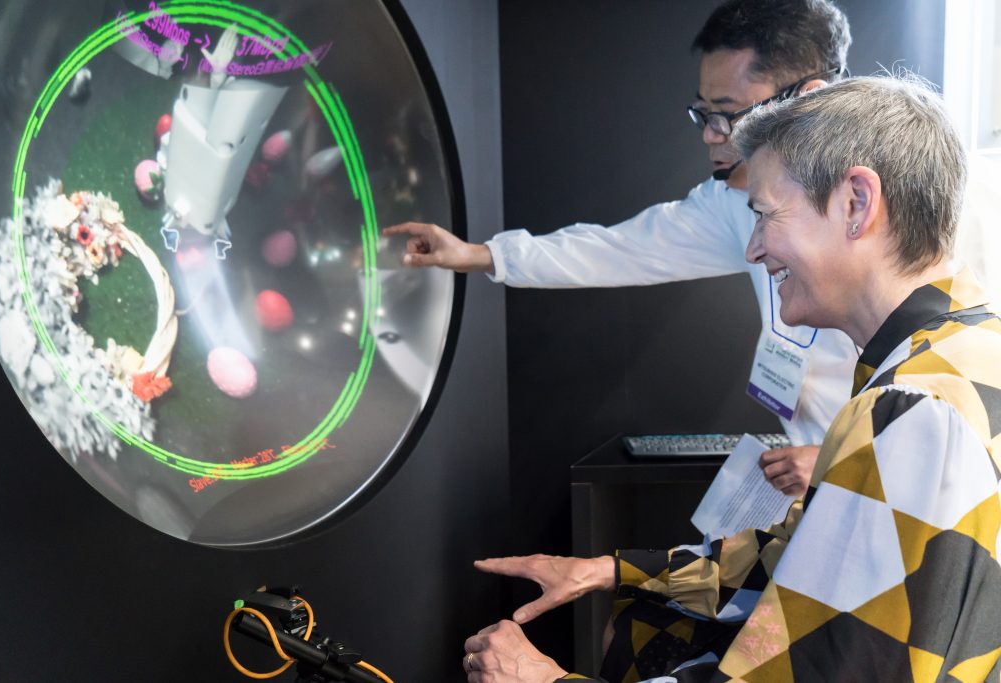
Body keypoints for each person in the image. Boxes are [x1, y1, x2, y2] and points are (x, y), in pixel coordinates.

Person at [461, 73, 1001, 682]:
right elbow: (806, 551)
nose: (752, 250)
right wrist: (613, 570)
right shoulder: (972, 352)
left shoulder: (906, 412)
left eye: (766, 215)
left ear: (856, 202)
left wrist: (545, 681)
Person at [387, 1, 855, 679]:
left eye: (729, 114)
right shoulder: (739, 202)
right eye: (703, 114)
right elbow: (625, 248)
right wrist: (483, 255)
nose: (711, 137)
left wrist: (850, 461)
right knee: (650, 629)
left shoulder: (925, 231)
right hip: (802, 503)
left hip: (868, 514)